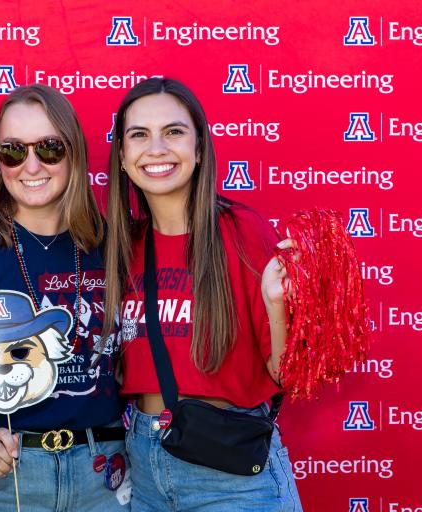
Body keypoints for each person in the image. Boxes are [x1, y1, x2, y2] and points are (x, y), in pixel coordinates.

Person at [103, 77, 303, 511]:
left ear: (199, 148)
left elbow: (287, 375)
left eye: (173, 131)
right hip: (142, 468)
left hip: (231, 475)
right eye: (139, 134)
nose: (156, 148)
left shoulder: (243, 232)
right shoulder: (124, 246)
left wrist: (277, 305)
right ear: (122, 156)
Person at [0, 84, 129, 511]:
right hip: (5, 481)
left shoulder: (116, 244)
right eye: (12, 150)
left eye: (49, 148)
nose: (31, 165)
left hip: (104, 475)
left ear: (73, 151)